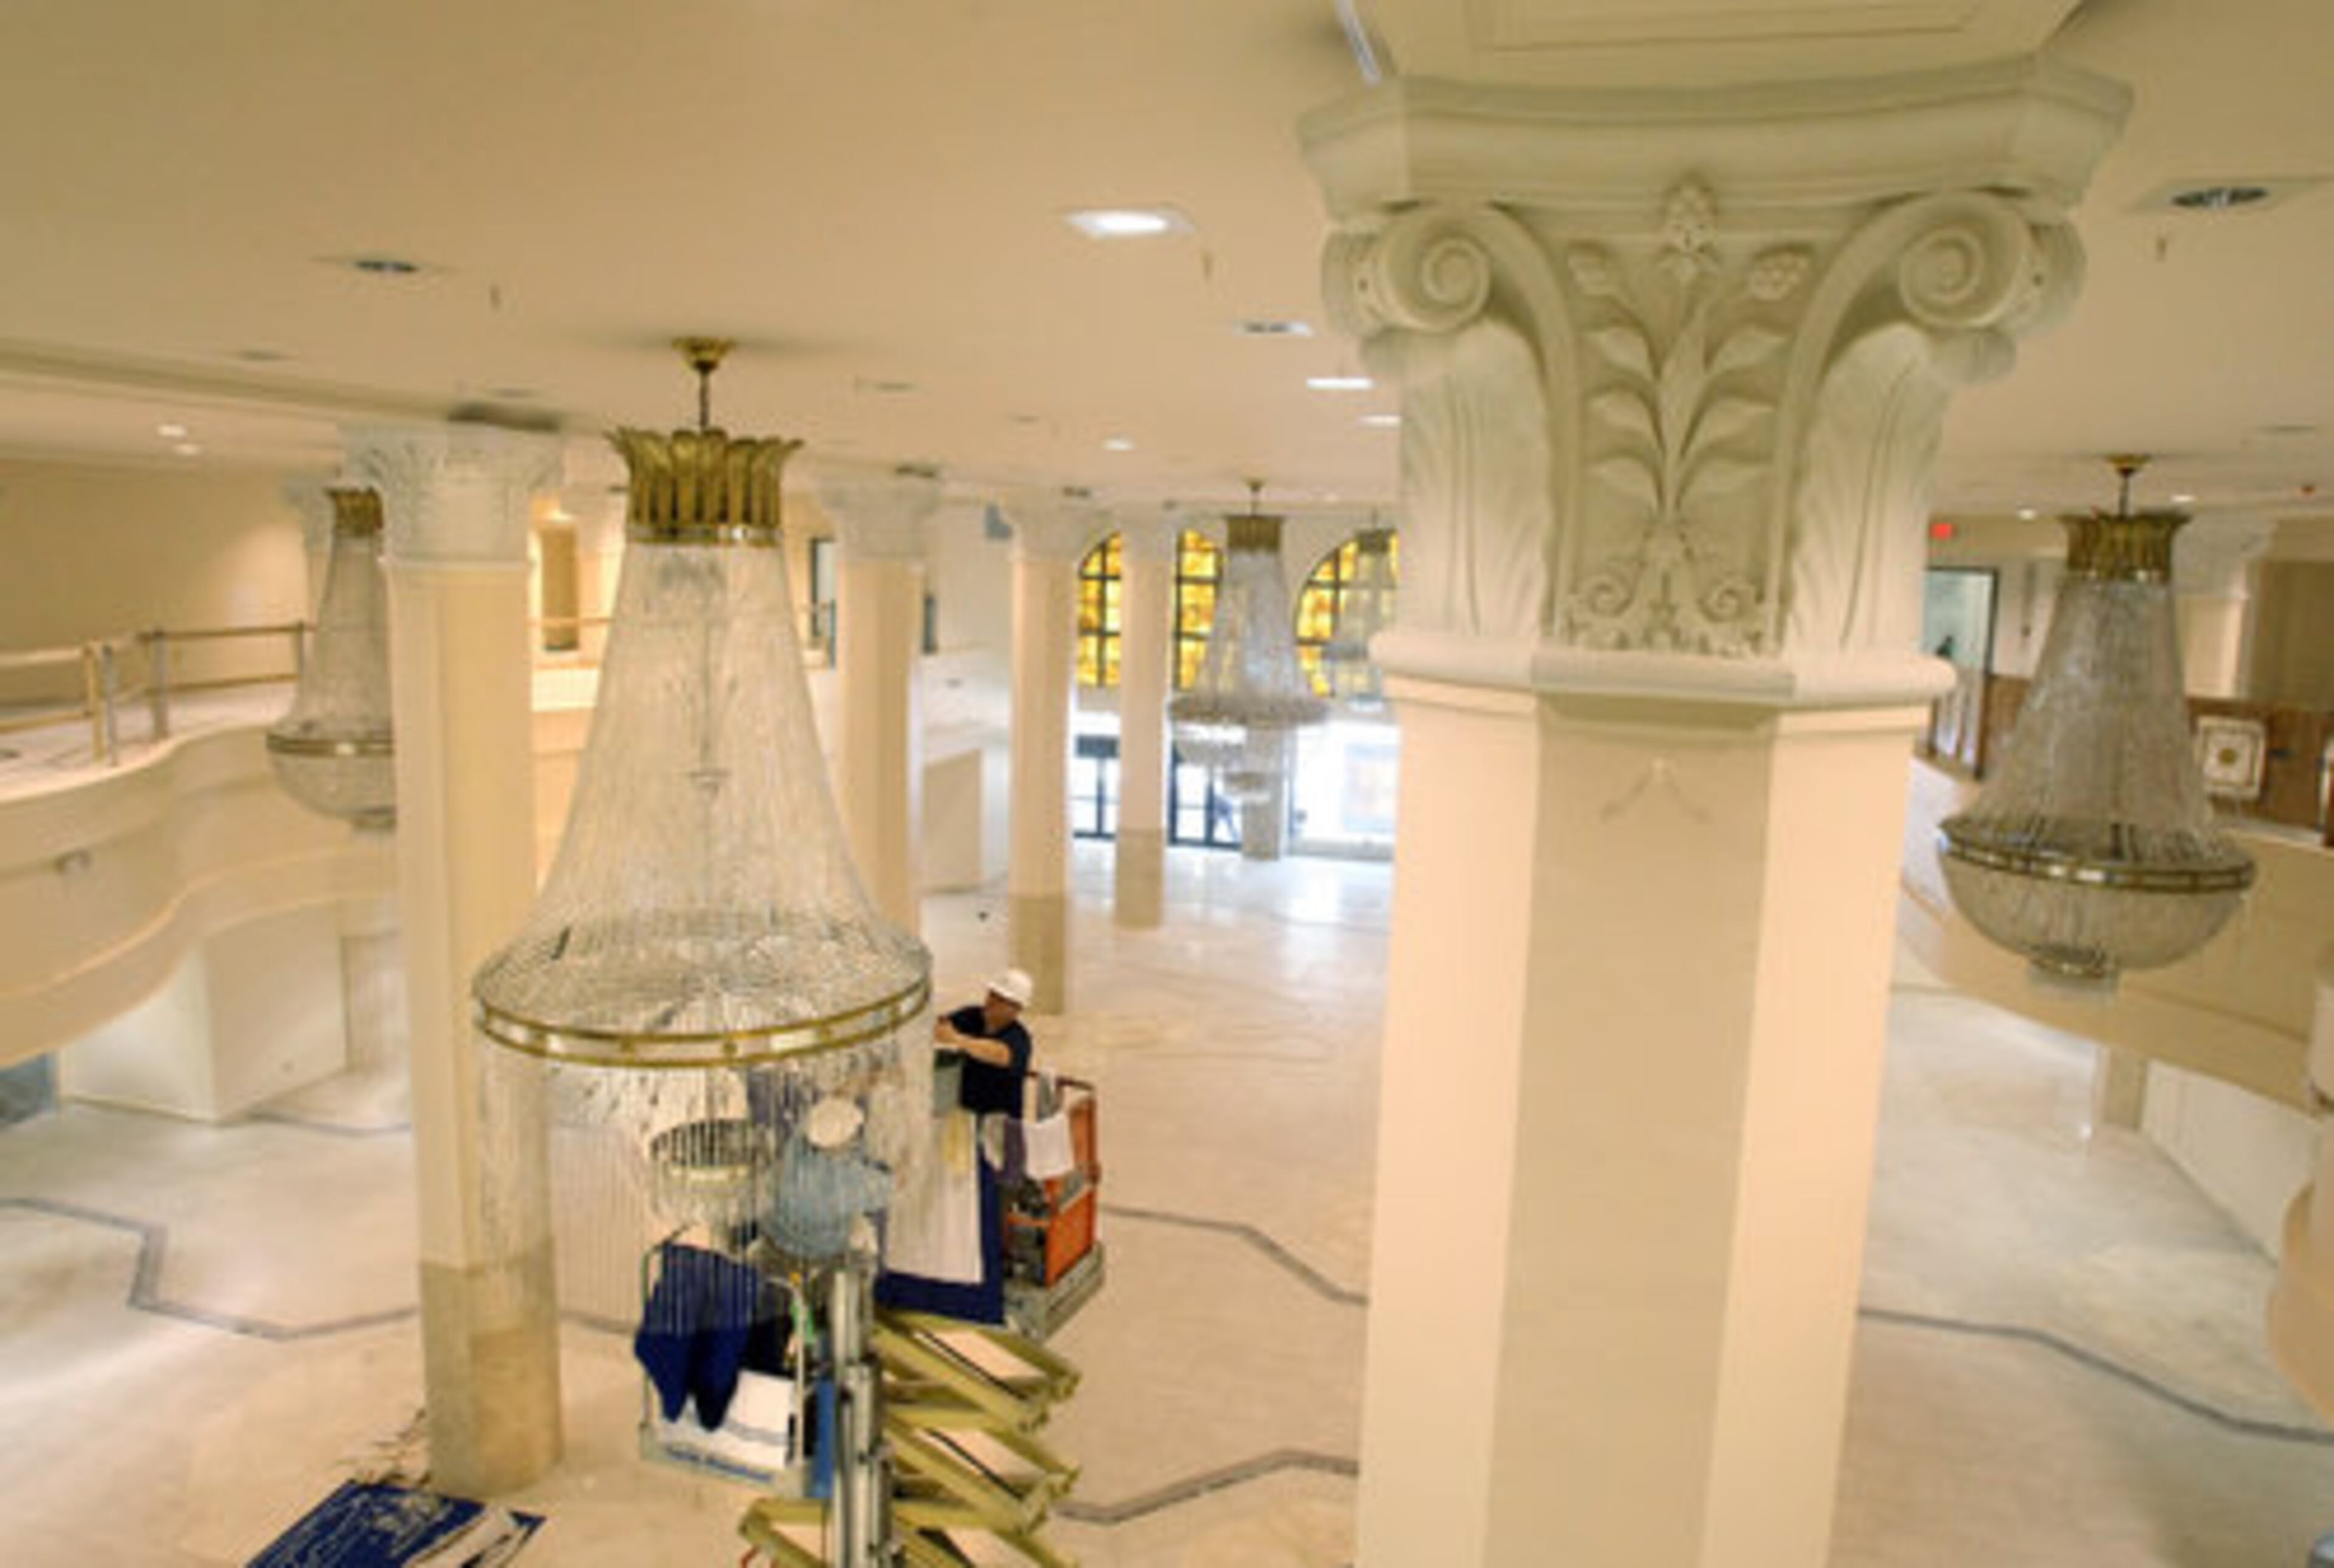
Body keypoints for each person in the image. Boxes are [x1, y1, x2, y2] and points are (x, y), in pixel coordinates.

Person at [934, 968, 1034, 1117]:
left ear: (1017, 1009)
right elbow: (941, 1028)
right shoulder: (971, 1016)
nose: (992, 1002)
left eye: (1001, 1000)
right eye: (992, 995)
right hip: (964, 1116)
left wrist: (958, 1040)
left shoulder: (1019, 1037)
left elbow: (1001, 1054)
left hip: (1000, 1124)